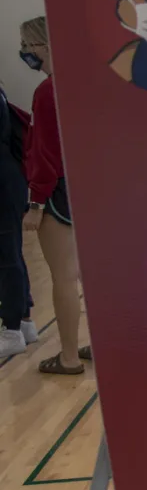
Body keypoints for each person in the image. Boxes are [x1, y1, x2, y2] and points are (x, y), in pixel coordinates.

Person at [20, 17, 90, 375]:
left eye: (27, 46)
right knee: (94, 274)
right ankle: (99, 343)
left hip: (60, 192)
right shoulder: (85, 84)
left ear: (44, 46)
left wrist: (36, 203)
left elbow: (46, 153)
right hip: (91, 186)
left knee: (64, 276)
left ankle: (67, 357)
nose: (24, 53)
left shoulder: (48, 91)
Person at [0, 83, 36, 357]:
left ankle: (11, 330)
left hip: (3, 184)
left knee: (7, 257)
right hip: (9, 181)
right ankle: (24, 323)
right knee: (11, 254)